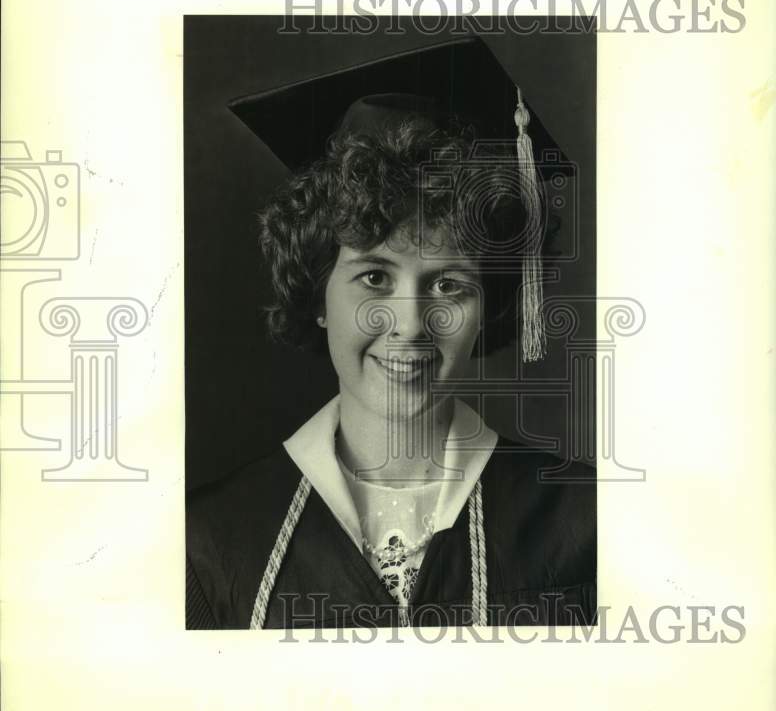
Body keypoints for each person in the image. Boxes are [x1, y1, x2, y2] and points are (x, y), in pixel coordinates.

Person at [186, 35, 596, 630]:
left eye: (449, 284)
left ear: (490, 305)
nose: (408, 325)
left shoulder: (586, 523)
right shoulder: (214, 539)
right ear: (317, 293)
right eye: (375, 276)